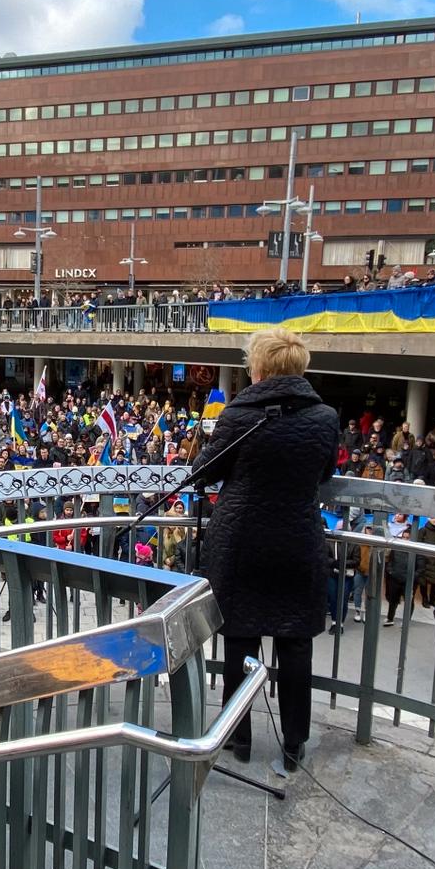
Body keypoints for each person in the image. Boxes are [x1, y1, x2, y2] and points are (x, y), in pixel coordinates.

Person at [195, 328, 339, 773]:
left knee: (240, 640)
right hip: (297, 540)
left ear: (258, 368)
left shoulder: (239, 415)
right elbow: (326, 472)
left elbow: (202, 472)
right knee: (295, 644)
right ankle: (294, 744)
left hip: (242, 544)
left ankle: (238, 738)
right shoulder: (326, 417)